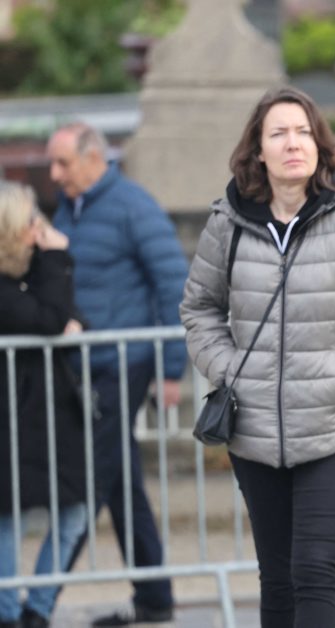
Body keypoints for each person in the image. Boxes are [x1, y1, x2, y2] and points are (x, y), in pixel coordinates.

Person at [180, 85, 335, 628]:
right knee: (277, 577)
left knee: (314, 569)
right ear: (258, 151)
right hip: (254, 429)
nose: (293, 143)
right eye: (279, 133)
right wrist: (230, 372)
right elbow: (199, 307)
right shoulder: (229, 222)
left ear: (320, 145)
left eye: (304, 131)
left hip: (333, 427)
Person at [46, 122, 186, 626]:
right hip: (86, 368)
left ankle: (34, 601)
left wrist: (171, 368)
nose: (54, 174)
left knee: (90, 478)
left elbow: (172, 282)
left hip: (124, 362)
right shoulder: (71, 208)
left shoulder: (133, 206)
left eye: (62, 163)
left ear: (93, 158)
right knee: (120, 482)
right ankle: (155, 599)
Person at [0, 182, 86, 628]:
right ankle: (9, 614)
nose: (41, 227)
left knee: (75, 513)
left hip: (51, 417)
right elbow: (50, 318)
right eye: (32, 220)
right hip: (13, 421)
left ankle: (37, 609)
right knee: (7, 519)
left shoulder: (31, 271)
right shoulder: (10, 284)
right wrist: (56, 256)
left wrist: (51, 264)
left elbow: (68, 315)